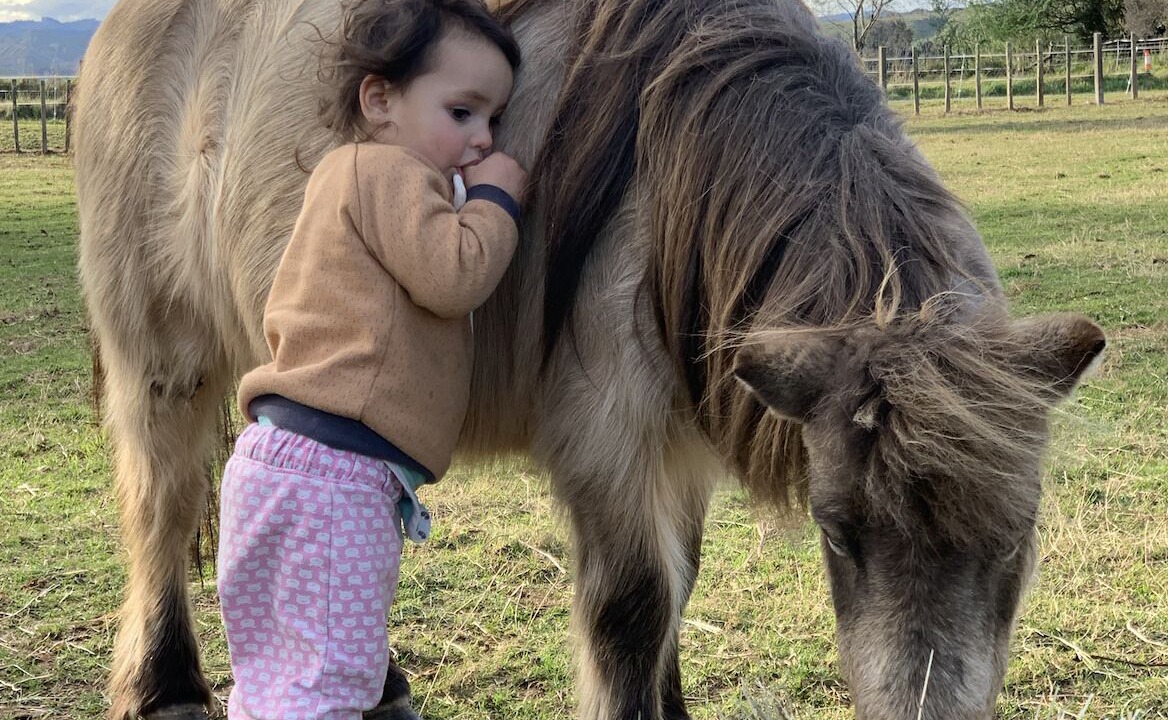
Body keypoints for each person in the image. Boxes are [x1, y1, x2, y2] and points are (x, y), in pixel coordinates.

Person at [215, 0, 524, 716]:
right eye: (462, 113)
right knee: (332, 682)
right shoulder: (388, 172)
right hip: (336, 479)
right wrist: (496, 202)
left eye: (495, 121)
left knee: (277, 678)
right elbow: (454, 275)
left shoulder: (340, 175)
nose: (482, 139)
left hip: (277, 462)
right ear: (380, 100)